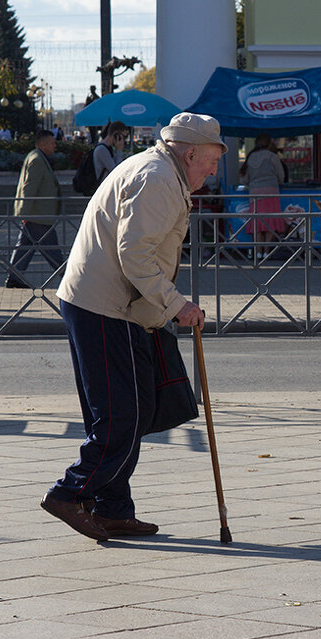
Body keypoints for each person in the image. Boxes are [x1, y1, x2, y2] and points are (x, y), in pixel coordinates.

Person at [41, 112, 226, 541]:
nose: (215, 170)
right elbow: (135, 255)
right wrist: (176, 304)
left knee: (130, 408)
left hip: (110, 303)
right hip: (109, 306)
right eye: (212, 160)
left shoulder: (160, 170)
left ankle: (112, 508)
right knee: (122, 413)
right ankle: (71, 493)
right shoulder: (159, 179)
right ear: (190, 152)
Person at [5, 129, 64, 288]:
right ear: (43, 144)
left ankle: (14, 277)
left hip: (37, 214)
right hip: (38, 215)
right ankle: (67, 276)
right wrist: (24, 213)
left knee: (25, 246)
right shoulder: (37, 160)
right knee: (52, 250)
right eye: (52, 143)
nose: (55, 146)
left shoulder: (37, 157)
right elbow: (29, 188)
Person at [239, 132, 287, 257]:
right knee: (269, 221)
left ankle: (258, 251)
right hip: (271, 192)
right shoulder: (273, 157)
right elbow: (281, 176)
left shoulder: (251, 157)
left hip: (255, 193)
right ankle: (266, 251)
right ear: (270, 143)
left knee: (257, 222)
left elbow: (244, 179)